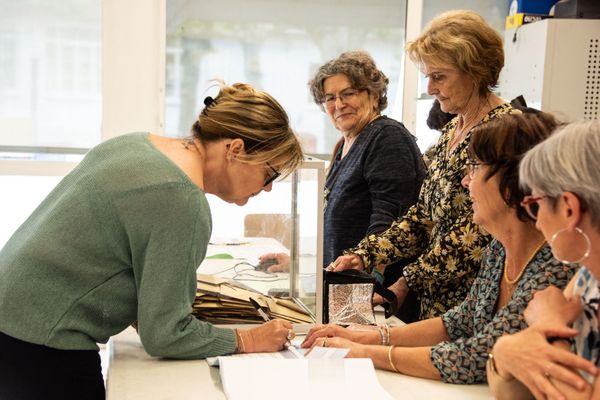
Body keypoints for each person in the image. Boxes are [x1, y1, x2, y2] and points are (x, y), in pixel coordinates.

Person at [0, 81, 303, 399]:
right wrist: (249, 341)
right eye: (270, 173)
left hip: (13, 314)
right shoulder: (182, 198)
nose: (267, 188)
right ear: (236, 149)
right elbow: (165, 335)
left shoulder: (137, 144)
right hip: (43, 340)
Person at [302, 112, 578, 383]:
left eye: (475, 167)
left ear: (513, 180)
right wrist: (367, 336)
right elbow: (461, 320)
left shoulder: (555, 265)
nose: (465, 181)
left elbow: (477, 356)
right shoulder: (499, 249)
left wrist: (365, 351)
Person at [329, 10, 519, 320]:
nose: (430, 88)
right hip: (437, 304)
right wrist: (365, 254)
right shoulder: (452, 130)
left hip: (477, 304)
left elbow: (476, 235)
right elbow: (421, 217)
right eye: (427, 76)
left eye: (439, 76)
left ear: (474, 70)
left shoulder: (506, 131)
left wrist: (406, 281)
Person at [260, 51, 425, 289]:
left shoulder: (386, 137)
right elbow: (340, 232)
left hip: (372, 292)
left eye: (348, 93)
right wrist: (302, 264)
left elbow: (388, 222)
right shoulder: (344, 145)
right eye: (330, 98)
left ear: (374, 95)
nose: (338, 104)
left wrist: (361, 283)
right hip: (343, 284)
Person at [487, 120, 600, 400]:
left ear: (569, 208)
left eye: (535, 206)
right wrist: (504, 352)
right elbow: (510, 389)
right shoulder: (587, 278)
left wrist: (550, 329)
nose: (537, 224)